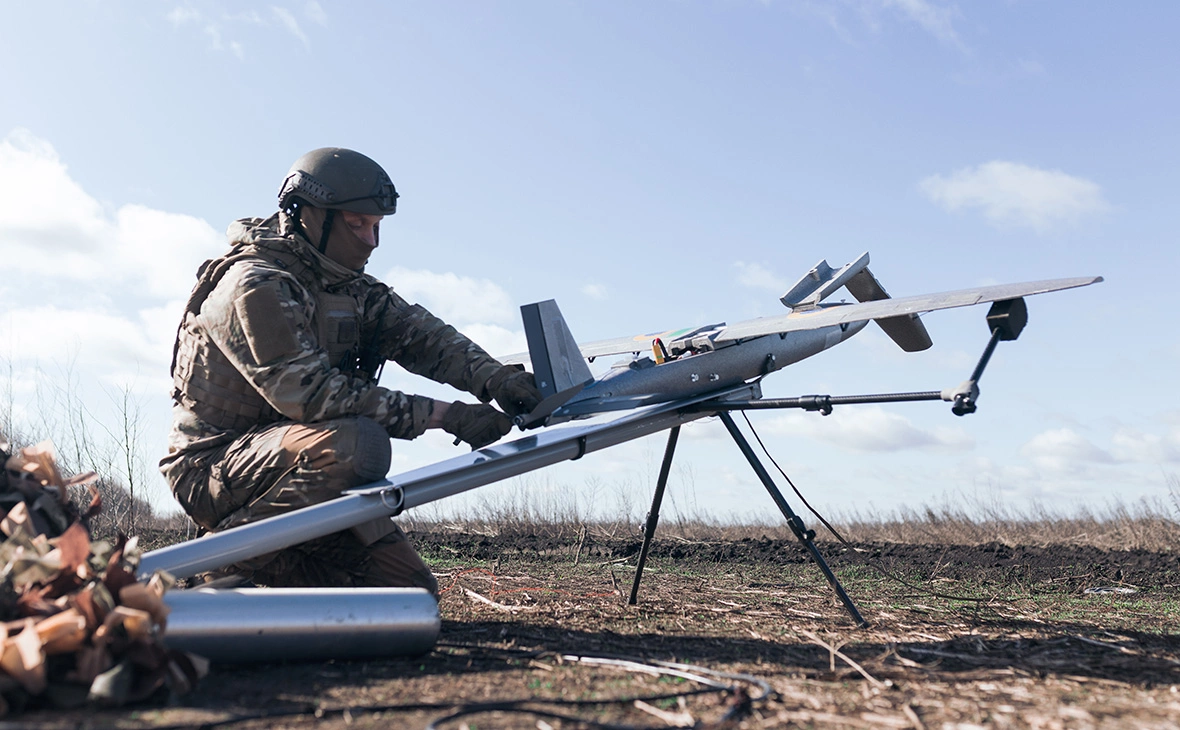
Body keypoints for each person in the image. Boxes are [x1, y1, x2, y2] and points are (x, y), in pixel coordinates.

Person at [159, 148, 541, 594]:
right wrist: (445, 416)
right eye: (357, 224)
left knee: (407, 596)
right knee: (360, 446)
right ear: (308, 216)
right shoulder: (254, 285)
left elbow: (425, 337)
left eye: (377, 226)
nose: (370, 241)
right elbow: (311, 396)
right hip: (217, 469)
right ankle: (219, 564)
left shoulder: (349, 288)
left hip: (308, 473)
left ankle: (270, 565)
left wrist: (496, 379)